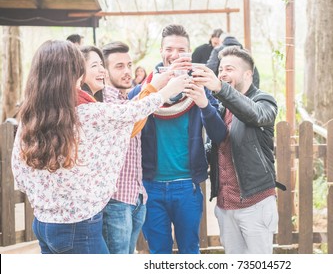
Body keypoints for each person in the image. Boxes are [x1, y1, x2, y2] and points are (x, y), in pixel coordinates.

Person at [11, 39, 186, 254]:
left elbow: (19, 173)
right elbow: (132, 113)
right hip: (79, 227)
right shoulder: (86, 114)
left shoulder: (31, 117)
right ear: (76, 72)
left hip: (42, 224)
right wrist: (167, 91)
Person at [128, 24, 227, 254]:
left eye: (181, 50)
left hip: (187, 186)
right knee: (159, 253)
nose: (174, 55)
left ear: (189, 53)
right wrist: (158, 89)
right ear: (161, 51)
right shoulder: (144, 90)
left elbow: (220, 135)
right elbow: (130, 118)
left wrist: (203, 104)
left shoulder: (199, 86)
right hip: (151, 186)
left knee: (190, 251)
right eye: (169, 49)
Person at [192, 46, 279, 254]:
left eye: (229, 69)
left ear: (248, 74)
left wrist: (220, 87)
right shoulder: (222, 108)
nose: (222, 74)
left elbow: (254, 115)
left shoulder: (264, 101)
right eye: (220, 69)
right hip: (225, 206)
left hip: (255, 204)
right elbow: (218, 145)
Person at [99, 41, 148, 254]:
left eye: (129, 65)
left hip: (136, 195)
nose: (127, 71)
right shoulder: (105, 103)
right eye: (119, 66)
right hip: (116, 200)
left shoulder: (126, 99)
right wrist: (157, 88)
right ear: (104, 71)